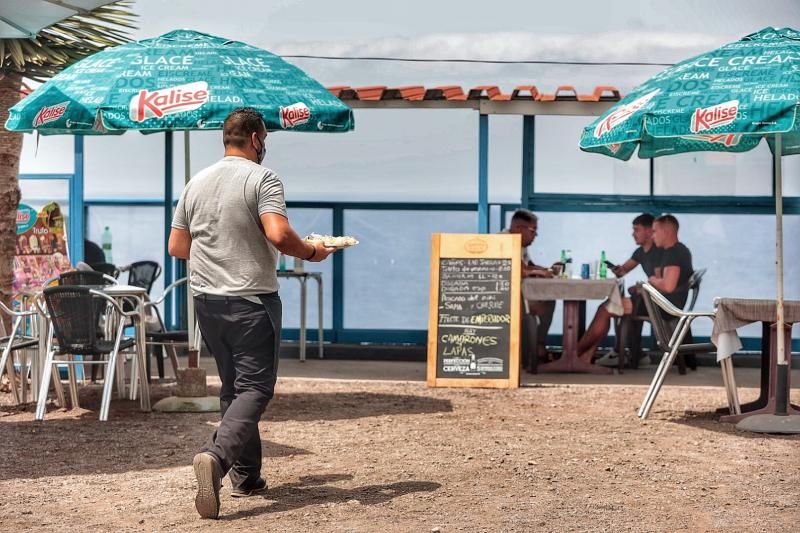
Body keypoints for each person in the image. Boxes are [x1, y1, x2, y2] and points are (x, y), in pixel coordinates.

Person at [168, 107, 335, 520]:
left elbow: (177, 247)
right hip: (251, 300)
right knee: (256, 389)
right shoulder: (263, 178)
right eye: (266, 140)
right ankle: (216, 458)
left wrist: (219, 257)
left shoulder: (196, 182)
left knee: (235, 388)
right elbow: (278, 234)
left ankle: (246, 476)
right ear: (257, 139)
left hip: (206, 301)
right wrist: (313, 251)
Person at [576, 213, 662, 366]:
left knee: (605, 310)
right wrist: (614, 268)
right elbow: (622, 271)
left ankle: (575, 353)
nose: (632, 234)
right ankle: (585, 354)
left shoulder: (658, 251)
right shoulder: (640, 252)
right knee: (609, 307)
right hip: (648, 299)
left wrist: (639, 288)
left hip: (655, 302)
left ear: (649, 231)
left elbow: (659, 282)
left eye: (636, 230)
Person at [507, 209, 556, 368]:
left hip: (521, 294)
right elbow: (519, 270)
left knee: (549, 300)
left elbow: (529, 265)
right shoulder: (505, 242)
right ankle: (537, 346)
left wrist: (548, 269)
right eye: (533, 231)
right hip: (509, 299)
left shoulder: (520, 245)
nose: (535, 236)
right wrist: (541, 272)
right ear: (520, 229)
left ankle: (538, 345)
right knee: (547, 303)